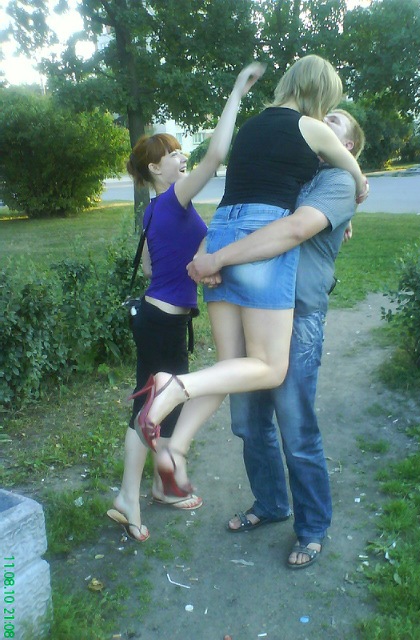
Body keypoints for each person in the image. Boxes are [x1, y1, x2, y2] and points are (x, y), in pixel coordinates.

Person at [135, 56, 369, 498]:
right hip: (261, 233)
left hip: (222, 229)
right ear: (319, 93)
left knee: (231, 367)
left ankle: (176, 449)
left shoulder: (251, 127)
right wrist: (359, 191)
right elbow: (351, 168)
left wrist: (211, 255)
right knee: (269, 367)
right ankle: (174, 386)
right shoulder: (311, 127)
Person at [189, 108, 365, 569]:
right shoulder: (292, 174)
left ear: (346, 147)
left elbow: (291, 229)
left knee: (296, 428)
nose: (319, 122)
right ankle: (270, 504)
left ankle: (312, 526)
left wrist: (219, 258)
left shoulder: (338, 183)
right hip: (257, 309)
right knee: (248, 422)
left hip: (299, 315)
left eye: (333, 122)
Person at [106, 61, 266, 541]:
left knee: (162, 406)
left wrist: (201, 263)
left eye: (180, 151)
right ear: (155, 169)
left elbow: (153, 269)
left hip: (161, 317)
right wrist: (236, 91)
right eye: (172, 154)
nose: (181, 158)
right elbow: (216, 156)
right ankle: (129, 497)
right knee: (150, 410)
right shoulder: (174, 197)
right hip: (163, 320)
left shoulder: (155, 211)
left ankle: (160, 488)